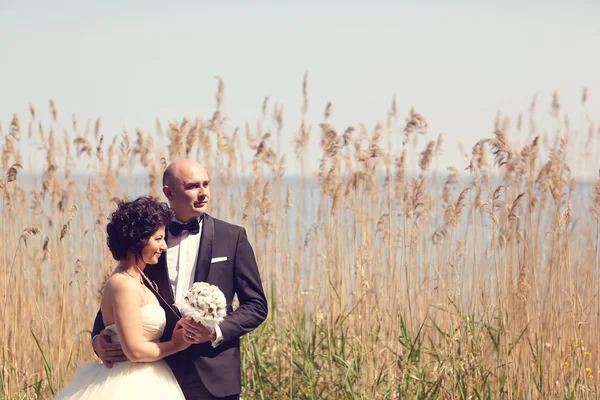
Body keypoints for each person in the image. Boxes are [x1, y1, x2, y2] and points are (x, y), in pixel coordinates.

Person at [92, 158, 268, 400]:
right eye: (193, 186)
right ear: (169, 192)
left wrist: (214, 331)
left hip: (215, 376)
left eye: (206, 184)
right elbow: (121, 293)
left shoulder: (233, 237)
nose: (203, 192)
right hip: (157, 373)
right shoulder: (147, 240)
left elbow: (256, 306)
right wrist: (97, 339)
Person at [54, 196, 188, 399]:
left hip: (151, 378)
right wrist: (177, 345)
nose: (164, 247)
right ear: (138, 239)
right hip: (129, 384)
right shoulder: (123, 284)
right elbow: (134, 351)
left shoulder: (140, 277)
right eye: (158, 239)